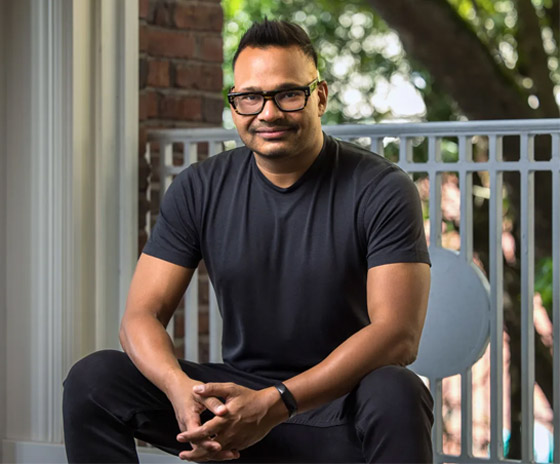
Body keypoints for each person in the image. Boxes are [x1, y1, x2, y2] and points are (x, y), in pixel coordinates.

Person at [63, 19, 433, 463]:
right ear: (235, 103)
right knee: (93, 380)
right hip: (237, 406)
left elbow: (398, 335)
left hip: (339, 409)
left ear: (320, 97)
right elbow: (140, 316)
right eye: (250, 97)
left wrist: (276, 403)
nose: (268, 113)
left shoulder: (381, 188)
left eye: (288, 94)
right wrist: (181, 394)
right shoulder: (200, 187)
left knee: (396, 389)